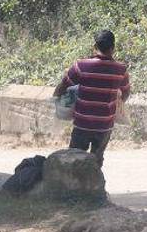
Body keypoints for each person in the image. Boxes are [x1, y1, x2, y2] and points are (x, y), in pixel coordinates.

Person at [52, 30, 130, 168]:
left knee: (74, 160)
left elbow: (63, 86)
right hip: (104, 125)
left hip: (83, 124)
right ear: (113, 48)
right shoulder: (121, 69)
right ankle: (94, 187)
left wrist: (57, 97)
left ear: (95, 46)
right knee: (96, 161)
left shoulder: (81, 66)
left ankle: (75, 188)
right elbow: (125, 93)